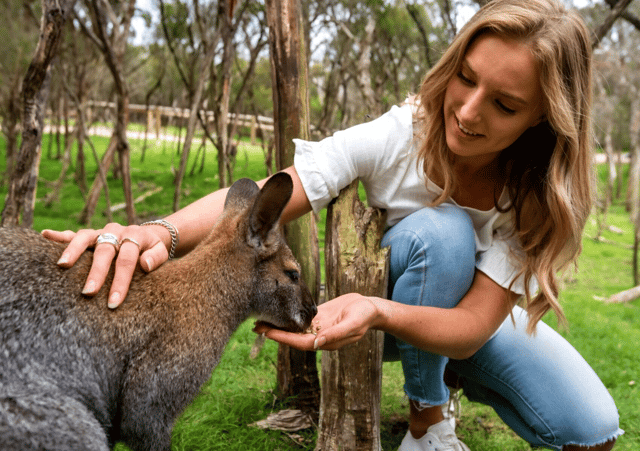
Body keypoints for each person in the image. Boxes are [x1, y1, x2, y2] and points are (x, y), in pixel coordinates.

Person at [43, 0, 623, 449]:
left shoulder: (537, 196)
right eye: (466, 78)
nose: (467, 111)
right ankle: (428, 422)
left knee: (592, 429)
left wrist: (387, 313)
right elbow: (286, 185)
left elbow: (473, 324)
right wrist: (158, 233)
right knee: (440, 231)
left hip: (461, 321)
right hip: (378, 313)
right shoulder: (404, 134)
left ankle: (450, 381)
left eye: (504, 104)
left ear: (544, 116)